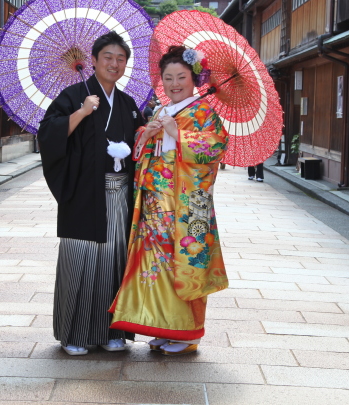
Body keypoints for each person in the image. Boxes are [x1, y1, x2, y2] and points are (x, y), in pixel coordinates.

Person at [110, 45, 229, 356]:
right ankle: (163, 325)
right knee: (157, 265)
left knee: (185, 264)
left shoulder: (203, 112)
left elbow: (215, 148)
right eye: (168, 78)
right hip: (155, 201)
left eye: (181, 77)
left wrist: (179, 133)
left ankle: (187, 333)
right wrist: (146, 135)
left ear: (194, 79)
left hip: (188, 203)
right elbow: (143, 150)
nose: (175, 84)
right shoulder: (161, 110)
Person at [37, 31, 145, 356]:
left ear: (125, 64)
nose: (114, 63)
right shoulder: (73, 96)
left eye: (120, 59)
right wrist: (83, 112)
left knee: (114, 263)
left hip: (120, 196)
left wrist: (146, 134)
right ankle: (74, 334)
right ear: (94, 60)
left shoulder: (127, 104)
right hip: (84, 195)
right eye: (108, 57)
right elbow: (48, 134)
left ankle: (113, 332)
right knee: (81, 262)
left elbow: (141, 147)